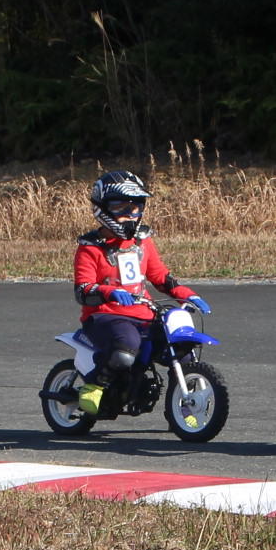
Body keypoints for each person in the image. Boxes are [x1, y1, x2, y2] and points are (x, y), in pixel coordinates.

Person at [69, 170, 204, 419]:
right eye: (121, 207)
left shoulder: (142, 242)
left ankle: (184, 407)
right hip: (105, 316)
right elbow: (83, 289)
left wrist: (187, 295)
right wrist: (111, 293)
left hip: (144, 313)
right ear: (102, 208)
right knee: (126, 348)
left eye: (136, 207)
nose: (130, 215)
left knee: (183, 349)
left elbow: (161, 276)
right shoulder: (90, 247)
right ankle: (96, 387)